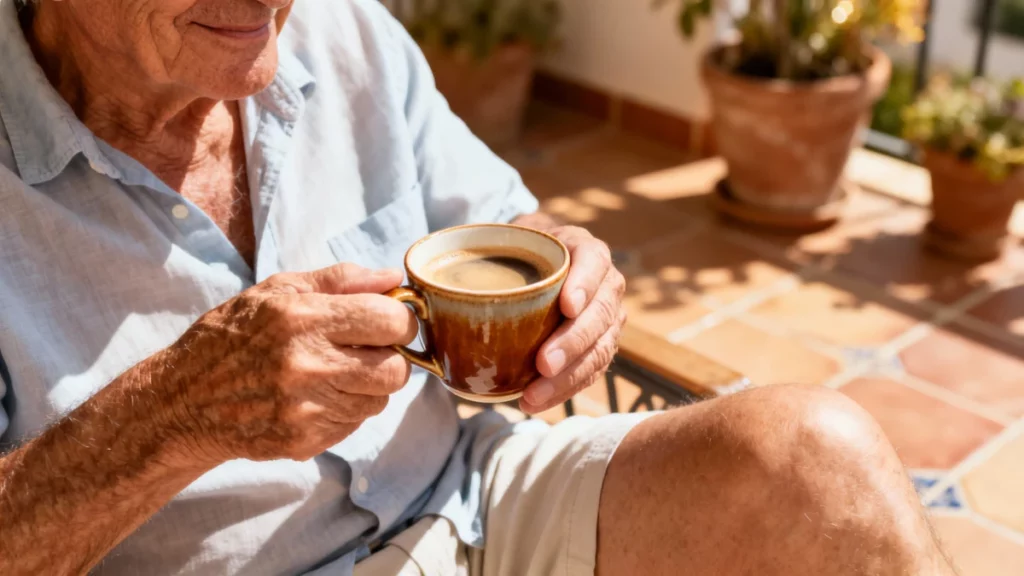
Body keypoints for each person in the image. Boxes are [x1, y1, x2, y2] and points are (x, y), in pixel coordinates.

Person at [0, 0, 958, 575]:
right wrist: (176, 411)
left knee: (817, 460)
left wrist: (577, 278)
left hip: (479, 500)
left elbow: (515, 229)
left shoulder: (344, 33)